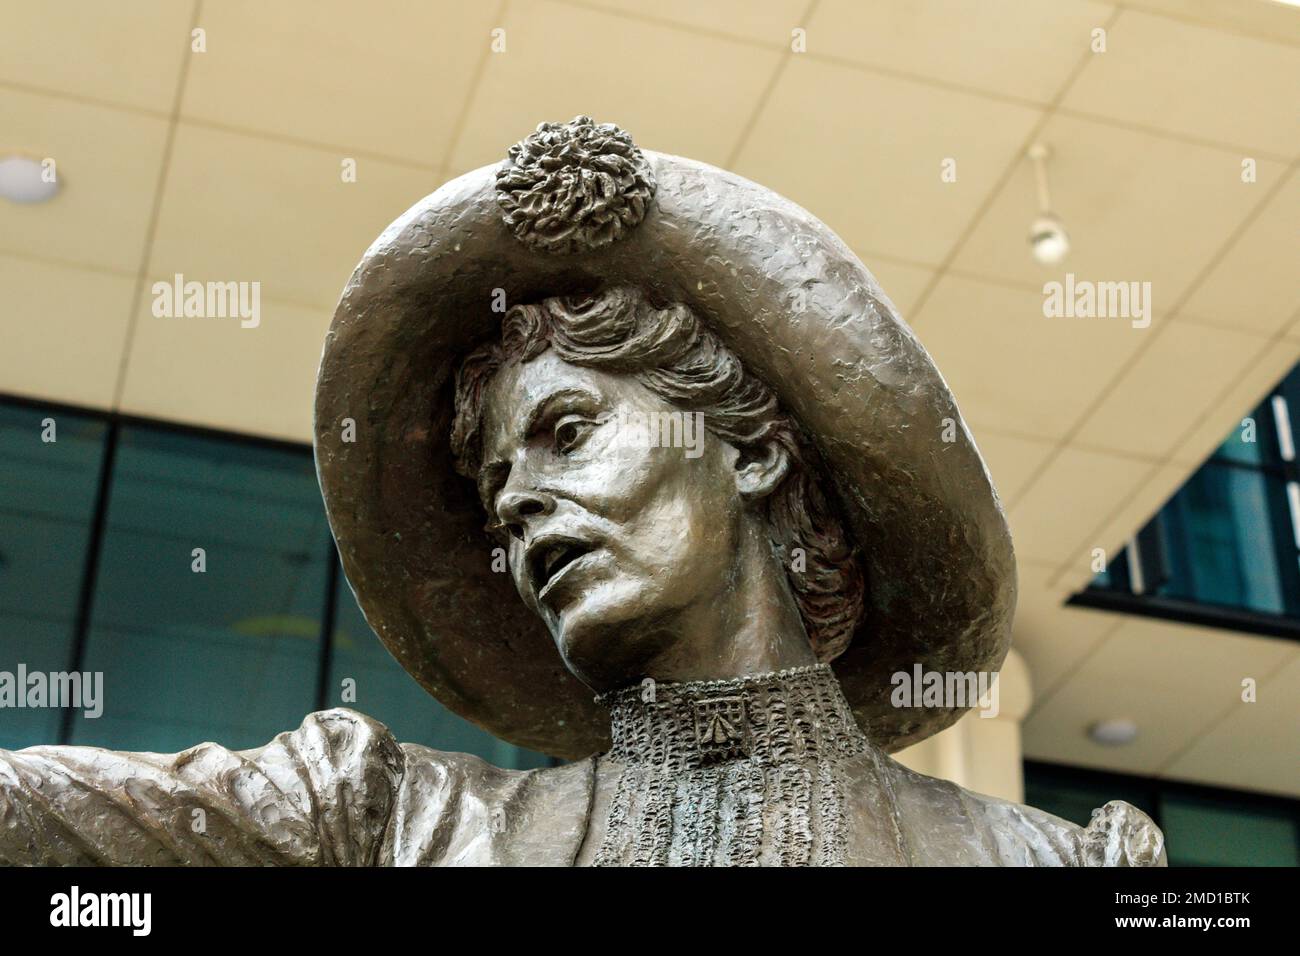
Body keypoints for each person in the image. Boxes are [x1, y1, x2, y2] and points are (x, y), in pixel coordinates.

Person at [0, 117, 1164, 866]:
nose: (519, 509)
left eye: (567, 431)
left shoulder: (1062, 864)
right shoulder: (391, 821)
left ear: (752, 449)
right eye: (499, 487)